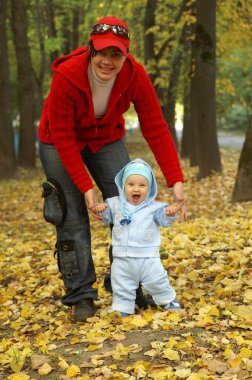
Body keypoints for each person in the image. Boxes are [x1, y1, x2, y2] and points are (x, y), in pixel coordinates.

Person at [38, 15, 187, 322]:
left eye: (116, 54)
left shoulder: (134, 74)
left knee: (130, 205)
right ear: (91, 50)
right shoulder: (66, 76)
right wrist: (85, 187)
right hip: (58, 140)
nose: (108, 61)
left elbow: (156, 127)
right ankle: (80, 294)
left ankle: (124, 284)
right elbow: (64, 137)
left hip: (105, 138)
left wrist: (176, 179)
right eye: (102, 52)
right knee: (72, 215)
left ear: (125, 55)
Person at [95, 159, 182, 316]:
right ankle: (122, 307)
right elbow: (106, 217)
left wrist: (169, 213)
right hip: (122, 258)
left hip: (148, 257)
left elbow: (163, 220)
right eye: (131, 184)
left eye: (142, 185)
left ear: (149, 188)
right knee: (121, 283)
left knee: (157, 280)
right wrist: (101, 210)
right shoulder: (115, 204)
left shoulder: (155, 207)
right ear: (123, 186)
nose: (136, 188)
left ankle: (167, 300)